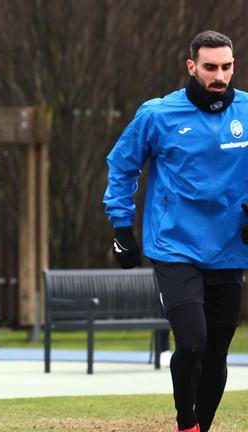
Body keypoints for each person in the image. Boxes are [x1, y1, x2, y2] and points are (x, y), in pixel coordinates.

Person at [103, 30, 247, 432]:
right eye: (211, 67)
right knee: (192, 343)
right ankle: (187, 423)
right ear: (191, 66)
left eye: (227, 66)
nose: (220, 75)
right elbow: (122, 167)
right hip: (174, 247)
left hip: (230, 249)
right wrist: (121, 227)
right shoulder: (158, 114)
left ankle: (202, 426)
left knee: (217, 352)